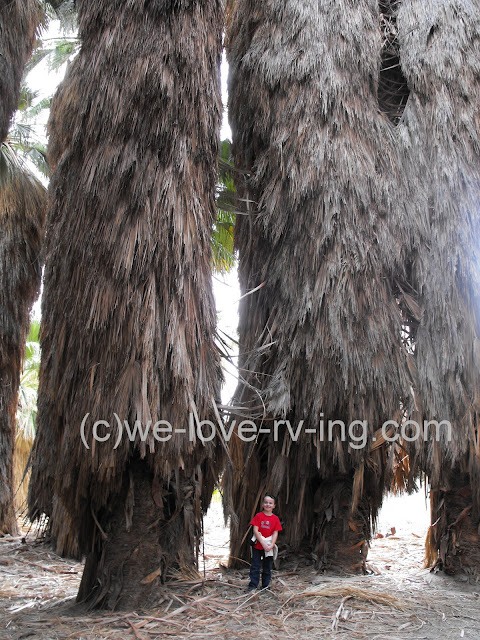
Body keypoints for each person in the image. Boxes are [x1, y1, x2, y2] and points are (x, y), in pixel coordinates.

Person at [248, 494, 282, 591]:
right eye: (266, 502)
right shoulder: (259, 516)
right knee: (255, 566)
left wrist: (271, 545)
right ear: (262, 504)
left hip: (268, 547)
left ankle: (265, 586)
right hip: (258, 546)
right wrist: (262, 542)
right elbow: (255, 530)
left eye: (270, 503)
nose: (268, 505)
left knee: (267, 567)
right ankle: (253, 585)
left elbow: (275, 533)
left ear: (274, 506)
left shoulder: (275, 519)